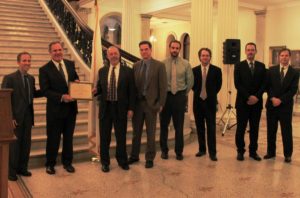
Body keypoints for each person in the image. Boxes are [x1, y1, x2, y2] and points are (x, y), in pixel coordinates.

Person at [39, 41, 79, 174]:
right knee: (53, 139)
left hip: (71, 110)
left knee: (68, 138)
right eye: (54, 51)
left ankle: (67, 162)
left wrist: (78, 84)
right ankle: (50, 164)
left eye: (59, 50)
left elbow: (75, 79)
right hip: (55, 111)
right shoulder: (44, 69)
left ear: (62, 50)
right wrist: (62, 96)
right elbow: (45, 91)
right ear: (50, 53)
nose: (58, 53)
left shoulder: (70, 64)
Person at [1, 52, 42, 181]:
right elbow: (4, 100)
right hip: (15, 119)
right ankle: (11, 172)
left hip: (28, 117)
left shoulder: (31, 79)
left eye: (29, 60)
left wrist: (47, 89)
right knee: (14, 146)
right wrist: (9, 118)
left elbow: (33, 94)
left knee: (26, 144)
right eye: (24, 60)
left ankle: (22, 168)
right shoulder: (9, 78)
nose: (27, 63)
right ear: (18, 62)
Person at [95, 46, 135, 172]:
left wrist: (131, 108)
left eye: (115, 53)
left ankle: (122, 160)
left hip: (121, 108)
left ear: (119, 55)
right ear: (107, 56)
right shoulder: (102, 71)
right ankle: (105, 162)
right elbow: (100, 89)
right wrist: (96, 91)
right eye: (110, 54)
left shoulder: (128, 71)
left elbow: (132, 92)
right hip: (105, 109)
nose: (113, 55)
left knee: (121, 137)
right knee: (104, 137)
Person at [128, 41, 167, 168]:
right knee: (136, 133)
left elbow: (163, 86)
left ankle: (149, 158)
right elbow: (132, 87)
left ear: (151, 50)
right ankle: (134, 156)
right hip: (138, 105)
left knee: (151, 133)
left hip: (152, 105)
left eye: (146, 49)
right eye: (141, 50)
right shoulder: (136, 66)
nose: (144, 52)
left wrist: (161, 104)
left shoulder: (159, 66)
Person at [159, 40, 194, 160]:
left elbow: (190, 81)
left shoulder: (186, 64)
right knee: (164, 125)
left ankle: (179, 151)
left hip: (179, 96)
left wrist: (183, 93)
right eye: (172, 47)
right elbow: (159, 81)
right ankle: (164, 150)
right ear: (169, 48)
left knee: (179, 126)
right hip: (166, 97)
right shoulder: (162, 63)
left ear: (179, 49)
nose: (174, 50)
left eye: (177, 48)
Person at [264, 48, 299, 163]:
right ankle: (270, 152)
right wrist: (273, 98)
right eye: (282, 56)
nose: (284, 58)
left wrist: (281, 100)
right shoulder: (271, 70)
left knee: (286, 131)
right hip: (272, 105)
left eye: (286, 56)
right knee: (271, 130)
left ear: (290, 57)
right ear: (279, 57)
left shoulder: (294, 73)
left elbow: (293, 90)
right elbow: (268, 86)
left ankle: (288, 154)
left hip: (285, 107)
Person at [234, 42, 267, 161]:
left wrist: (257, 97)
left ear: (256, 51)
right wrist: (248, 97)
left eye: (252, 50)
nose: (250, 52)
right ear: (245, 51)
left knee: (254, 128)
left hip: (257, 104)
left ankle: (253, 151)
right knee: (241, 128)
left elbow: (264, 84)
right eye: (248, 50)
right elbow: (237, 84)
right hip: (243, 103)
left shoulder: (261, 66)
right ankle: (240, 151)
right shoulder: (238, 65)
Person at [192, 48, 222, 161]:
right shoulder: (193, 70)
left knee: (211, 128)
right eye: (203, 55)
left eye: (207, 55)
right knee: (200, 128)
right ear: (199, 57)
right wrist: (199, 93)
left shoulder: (217, 70)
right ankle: (202, 150)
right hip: (198, 103)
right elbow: (192, 85)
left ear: (210, 57)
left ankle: (212, 153)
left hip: (210, 103)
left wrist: (211, 94)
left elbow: (218, 86)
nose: (205, 57)